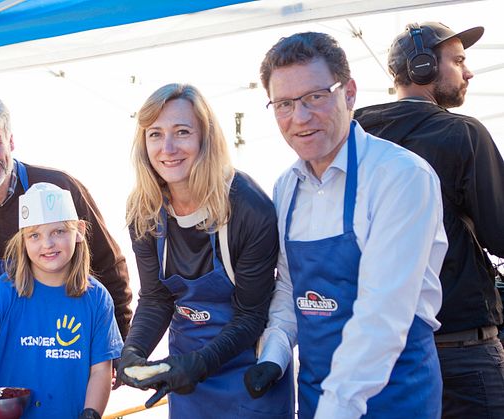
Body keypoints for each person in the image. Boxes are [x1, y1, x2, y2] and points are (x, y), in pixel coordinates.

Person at [244, 32, 448, 418]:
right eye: (284, 104)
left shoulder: (401, 176)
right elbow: (290, 287)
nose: (300, 118)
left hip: (395, 396)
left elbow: (382, 316)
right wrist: (274, 353)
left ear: (349, 93)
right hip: (318, 394)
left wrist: (334, 410)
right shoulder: (286, 186)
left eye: (315, 97)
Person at [354, 21, 504, 417]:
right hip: (461, 350)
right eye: (457, 61)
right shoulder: (462, 133)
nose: (468, 72)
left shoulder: (350, 136)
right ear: (422, 68)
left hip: (380, 353)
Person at [117, 83, 294, 418]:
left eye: (182, 132)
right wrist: (133, 350)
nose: (167, 147)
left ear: (205, 137)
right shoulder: (144, 209)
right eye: (155, 134)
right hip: (186, 378)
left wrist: (200, 363)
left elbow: (251, 315)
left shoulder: (248, 208)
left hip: (247, 374)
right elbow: (156, 298)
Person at [0, 91, 132, 338]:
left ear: (10, 141)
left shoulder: (60, 188)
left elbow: (110, 268)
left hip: (66, 342)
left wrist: (119, 346)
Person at [0, 183, 123, 419]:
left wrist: (91, 413)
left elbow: (101, 370)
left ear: (78, 230)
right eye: (34, 235)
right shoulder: (2, 294)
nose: (47, 244)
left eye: (58, 232)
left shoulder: (97, 298)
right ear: (23, 241)